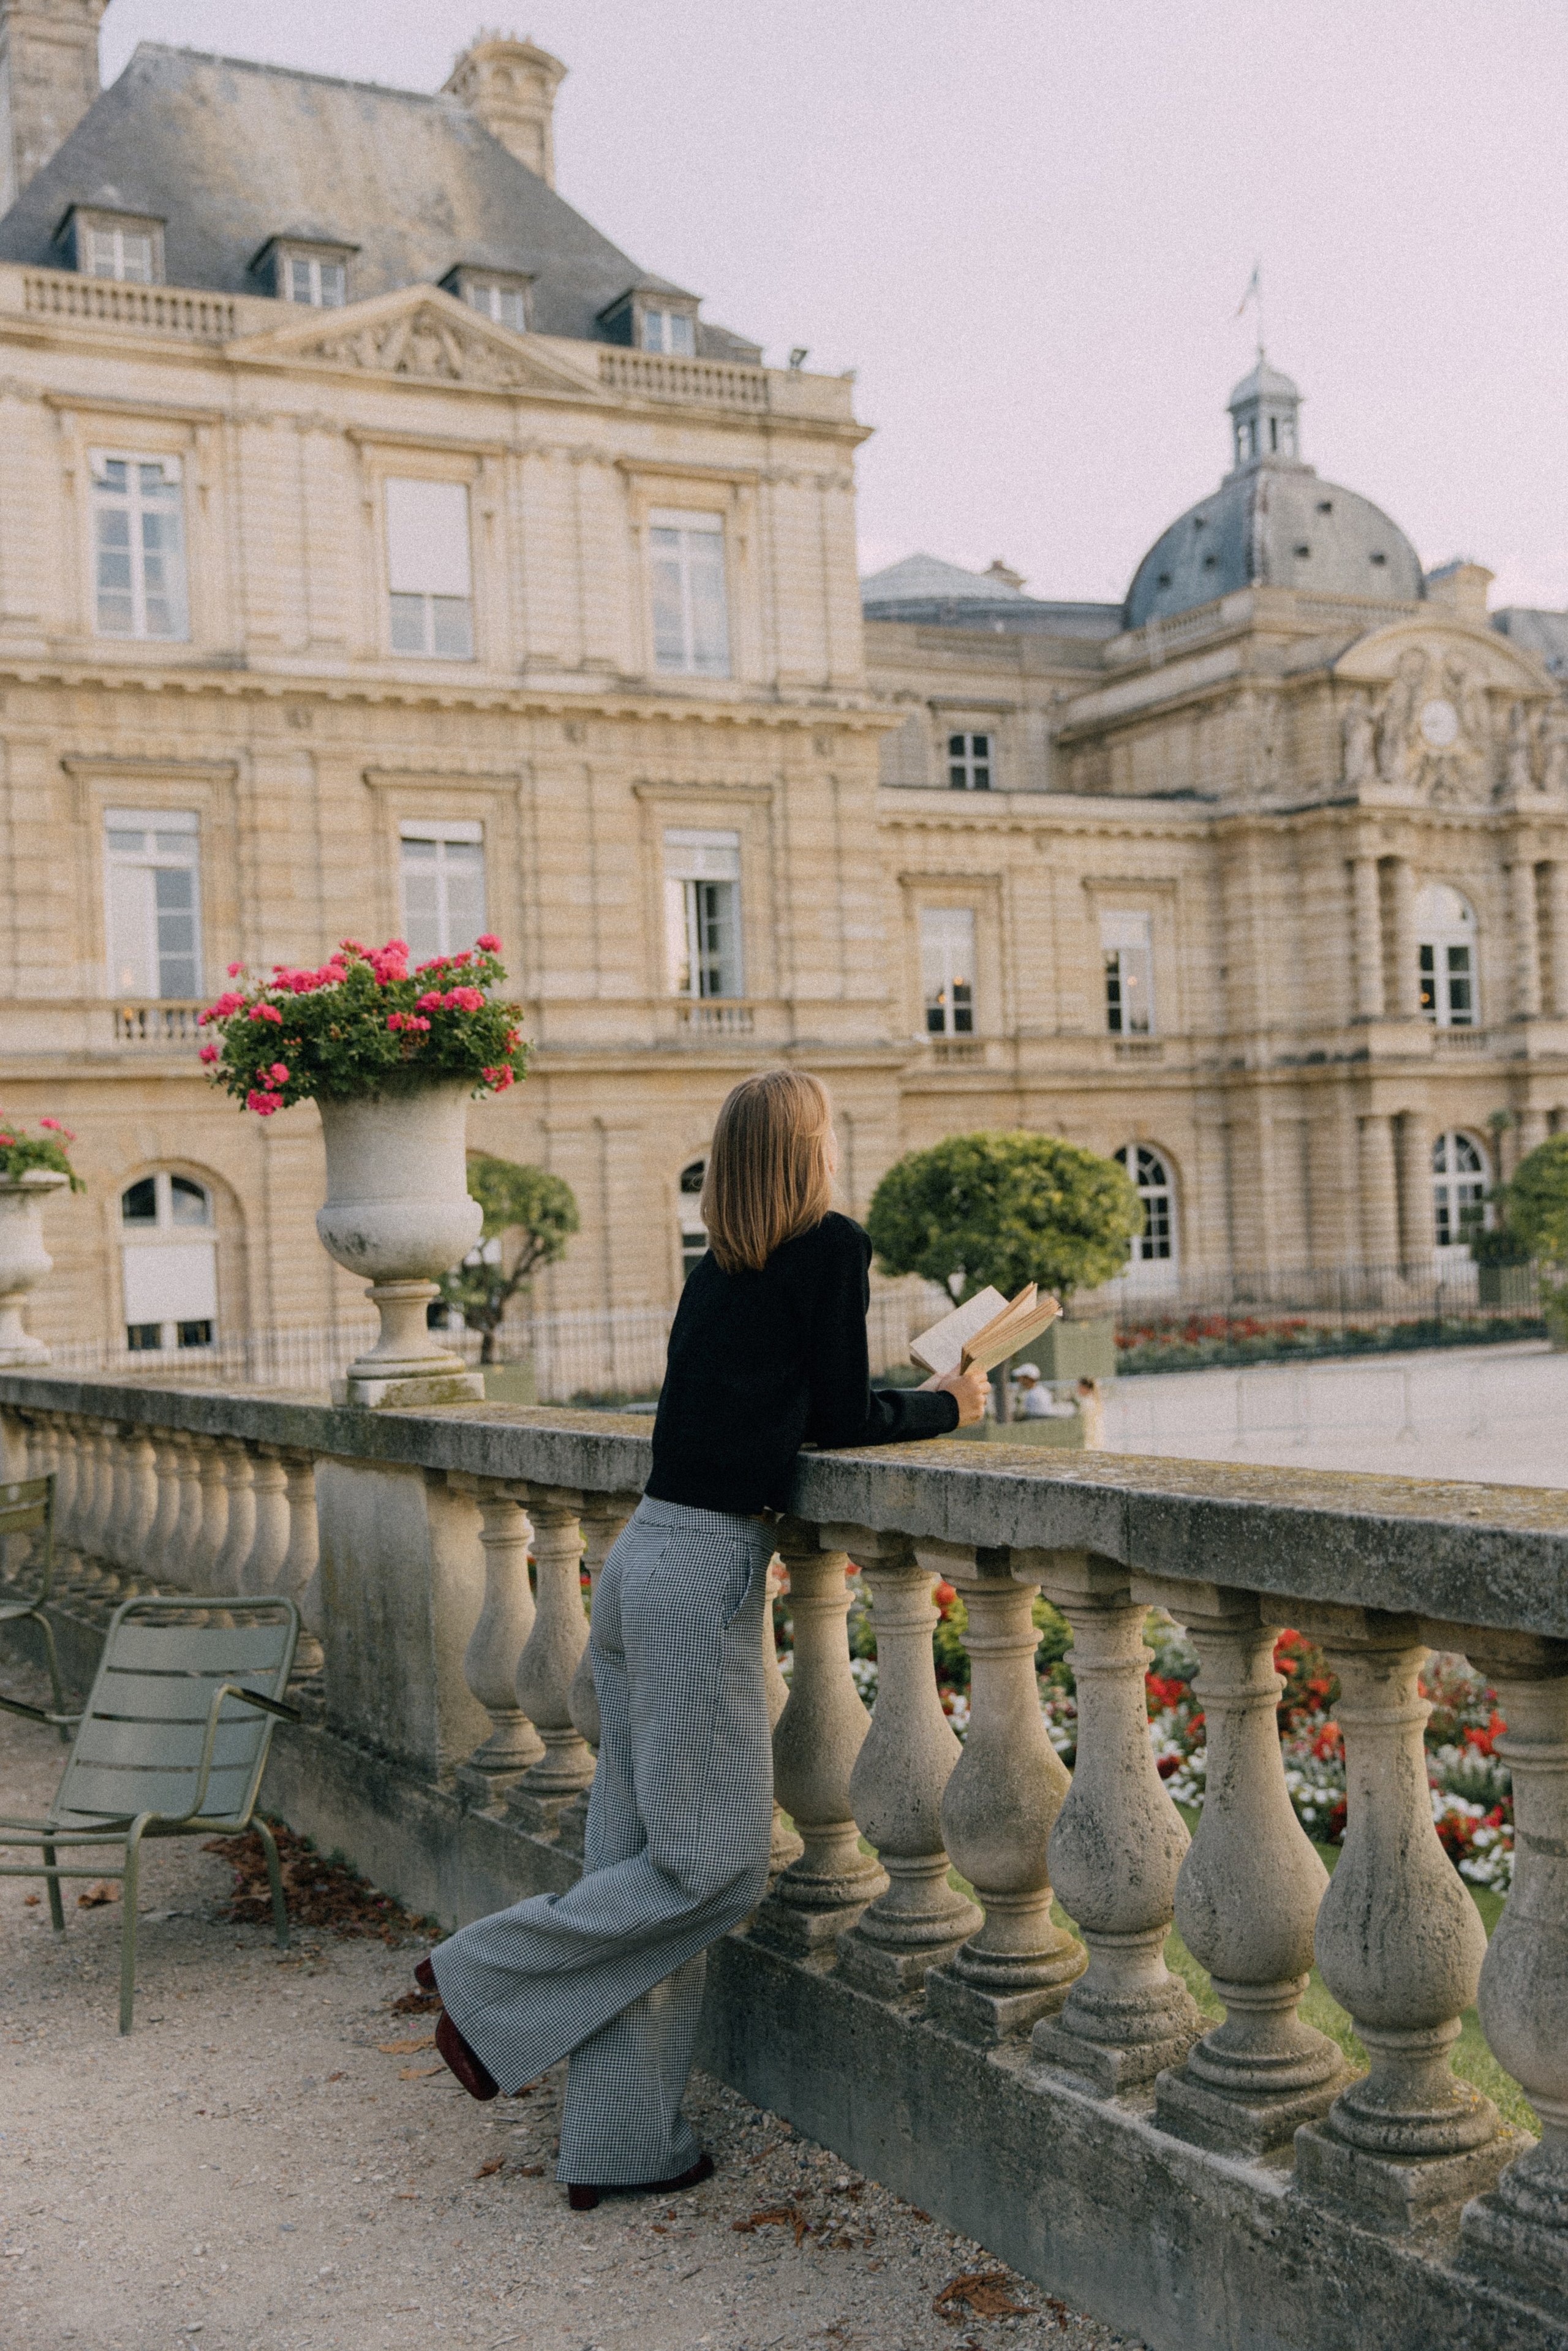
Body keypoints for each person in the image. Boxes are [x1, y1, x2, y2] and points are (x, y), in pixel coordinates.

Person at [418, 1070, 989, 2211]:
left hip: (641, 1559)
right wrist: (951, 1404)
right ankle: (478, 1975)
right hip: (696, 1575)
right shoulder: (829, 1245)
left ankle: (623, 2142)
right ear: (809, 1149)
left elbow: (775, 1407)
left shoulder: (715, 1274)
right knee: (715, 1864)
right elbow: (835, 1416)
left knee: (637, 1866)